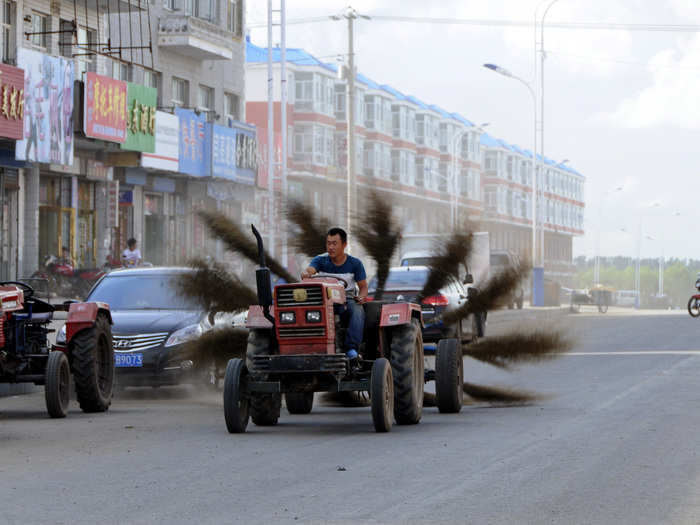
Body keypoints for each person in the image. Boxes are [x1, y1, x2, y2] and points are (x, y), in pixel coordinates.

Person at [301, 227, 368, 362]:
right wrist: (307, 273)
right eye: (328, 243)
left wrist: (361, 297)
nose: (330, 247)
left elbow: (363, 287)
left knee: (357, 310)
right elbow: (311, 269)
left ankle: (351, 349)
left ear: (344, 245)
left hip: (345, 300)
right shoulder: (320, 260)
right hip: (323, 301)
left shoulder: (355, 264)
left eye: (334, 243)